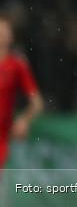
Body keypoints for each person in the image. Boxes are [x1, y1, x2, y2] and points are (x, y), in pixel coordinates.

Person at [0, 16, 43, 171]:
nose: (2, 34)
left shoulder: (16, 65)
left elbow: (37, 102)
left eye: (5, 30)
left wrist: (24, 120)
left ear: (11, 36)